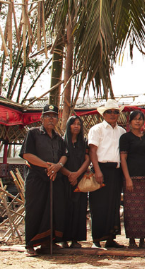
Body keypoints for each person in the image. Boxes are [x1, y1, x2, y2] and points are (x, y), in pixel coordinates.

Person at [20, 104, 67, 256]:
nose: (51, 118)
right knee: (34, 210)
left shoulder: (59, 138)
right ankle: (30, 245)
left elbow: (65, 155)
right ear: (41, 118)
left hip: (53, 178)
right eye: (47, 115)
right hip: (36, 178)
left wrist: (58, 166)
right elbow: (27, 154)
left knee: (51, 210)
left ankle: (48, 242)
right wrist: (48, 166)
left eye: (54, 116)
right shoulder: (33, 133)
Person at [89, 99, 126, 248]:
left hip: (116, 171)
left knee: (113, 205)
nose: (112, 114)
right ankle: (97, 239)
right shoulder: (96, 129)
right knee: (98, 205)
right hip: (101, 169)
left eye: (115, 112)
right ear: (103, 114)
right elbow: (92, 151)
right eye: (109, 111)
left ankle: (110, 238)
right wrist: (97, 171)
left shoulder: (122, 131)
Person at [120, 110, 145, 248]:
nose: (138, 121)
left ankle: (143, 240)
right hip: (131, 177)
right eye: (135, 119)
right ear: (130, 121)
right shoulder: (125, 138)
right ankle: (132, 240)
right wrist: (127, 178)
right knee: (131, 210)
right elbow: (123, 158)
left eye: (140, 119)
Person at [60, 115, 89, 249]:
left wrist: (77, 174)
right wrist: (69, 175)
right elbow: (58, 161)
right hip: (64, 180)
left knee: (79, 208)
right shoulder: (61, 142)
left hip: (80, 179)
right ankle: (63, 238)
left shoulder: (83, 142)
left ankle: (75, 239)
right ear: (68, 126)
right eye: (73, 124)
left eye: (79, 124)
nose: (76, 126)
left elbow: (87, 160)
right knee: (64, 208)